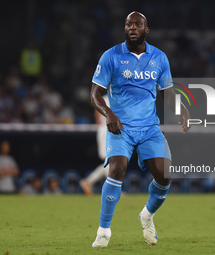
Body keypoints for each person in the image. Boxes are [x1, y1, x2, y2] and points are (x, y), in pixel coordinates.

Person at [90, 12, 190, 247]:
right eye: (128, 24)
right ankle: (104, 231)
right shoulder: (111, 56)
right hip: (121, 128)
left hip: (148, 128)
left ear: (146, 30)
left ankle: (147, 215)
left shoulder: (159, 57)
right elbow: (94, 94)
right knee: (117, 168)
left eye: (138, 24)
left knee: (164, 175)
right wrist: (109, 114)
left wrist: (181, 108)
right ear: (125, 29)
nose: (132, 27)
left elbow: (166, 90)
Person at [80, 95, 110, 195]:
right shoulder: (107, 98)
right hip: (106, 130)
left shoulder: (113, 98)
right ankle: (113, 190)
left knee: (112, 162)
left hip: (108, 130)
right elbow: (97, 112)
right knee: (111, 161)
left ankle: (88, 182)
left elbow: (96, 114)